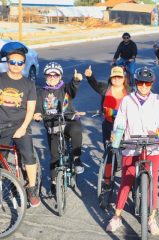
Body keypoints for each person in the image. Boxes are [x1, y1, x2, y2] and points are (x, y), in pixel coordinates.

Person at [105, 67, 159, 235]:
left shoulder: (157, 99)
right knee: (126, 181)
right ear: (135, 83)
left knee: (153, 182)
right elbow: (119, 122)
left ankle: (151, 219)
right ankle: (117, 217)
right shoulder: (127, 100)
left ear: (152, 84)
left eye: (147, 83)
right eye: (140, 83)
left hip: (152, 146)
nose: (143, 86)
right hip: (131, 145)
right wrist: (117, 140)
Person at [33, 62, 84, 190]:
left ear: (60, 76)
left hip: (68, 122)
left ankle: (77, 158)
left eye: (55, 75)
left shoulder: (65, 88)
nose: (52, 77)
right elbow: (38, 108)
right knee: (55, 156)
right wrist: (37, 114)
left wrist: (76, 80)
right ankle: (54, 182)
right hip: (53, 125)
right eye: (49, 75)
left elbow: (72, 90)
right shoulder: (40, 92)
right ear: (45, 76)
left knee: (76, 130)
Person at [0, 49, 40, 207]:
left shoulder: (29, 84)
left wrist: (23, 127)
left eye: (19, 63)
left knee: (28, 155)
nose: (16, 65)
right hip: (1, 125)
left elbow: (30, 109)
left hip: (20, 126)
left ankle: (31, 187)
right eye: (12, 62)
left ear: (24, 64)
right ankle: (12, 181)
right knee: (2, 160)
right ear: (7, 63)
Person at [85, 65, 129, 187]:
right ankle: (108, 178)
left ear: (123, 78)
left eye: (119, 77)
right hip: (109, 125)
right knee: (109, 151)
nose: (116, 79)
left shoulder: (129, 92)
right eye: (114, 77)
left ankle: (128, 180)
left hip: (125, 127)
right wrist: (89, 76)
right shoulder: (106, 88)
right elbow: (95, 85)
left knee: (127, 153)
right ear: (110, 78)